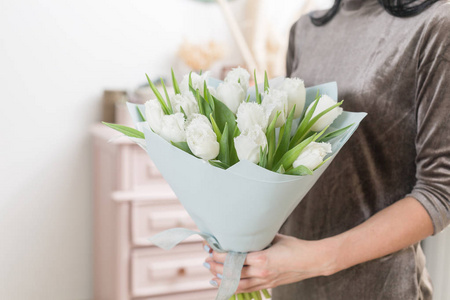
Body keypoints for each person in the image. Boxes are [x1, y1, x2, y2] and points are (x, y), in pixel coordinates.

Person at [203, 0, 450, 298]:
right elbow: (287, 159)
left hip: (376, 287)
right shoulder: (306, 30)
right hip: (290, 283)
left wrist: (317, 260)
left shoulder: (437, 23)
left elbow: (440, 192)